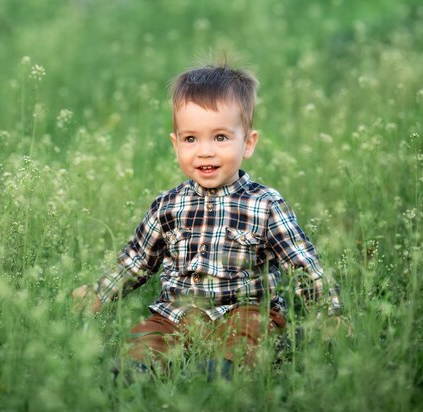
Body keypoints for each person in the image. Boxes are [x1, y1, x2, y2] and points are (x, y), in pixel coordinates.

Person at [72, 59, 343, 381]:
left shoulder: (265, 204)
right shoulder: (168, 205)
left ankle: (223, 373)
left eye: (220, 138)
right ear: (175, 145)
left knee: (248, 335)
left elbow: (302, 263)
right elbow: (137, 261)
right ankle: (136, 373)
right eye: (191, 139)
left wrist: (329, 312)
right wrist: (100, 293)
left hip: (244, 309)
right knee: (145, 337)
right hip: (176, 314)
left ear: (249, 143)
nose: (204, 152)